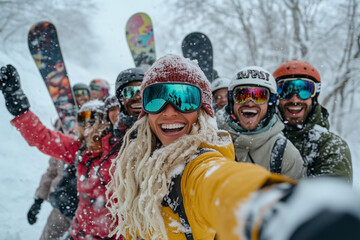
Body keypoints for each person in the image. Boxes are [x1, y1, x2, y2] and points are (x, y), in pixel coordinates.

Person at [106, 54, 360, 240]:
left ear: (203, 110)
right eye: (156, 99)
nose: (170, 111)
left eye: (185, 99)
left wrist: (288, 213)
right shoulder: (136, 164)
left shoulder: (199, 166)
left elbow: (223, 184)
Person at [0, 64, 123, 240]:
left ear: (105, 122)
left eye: (94, 118)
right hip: (80, 233)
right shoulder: (79, 149)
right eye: (83, 118)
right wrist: (20, 109)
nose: (88, 124)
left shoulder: (120, 149)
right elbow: (43, 138)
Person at [216, 66, 306, 179]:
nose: (250, 103)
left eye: (259, 96)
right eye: (242, 95)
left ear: (270, 103)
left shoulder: (286, 154)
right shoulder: (213, 142)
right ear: (232, 101)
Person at [273, 60, 353, 183]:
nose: (295, 99)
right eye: (285, 90)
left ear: (314, 97)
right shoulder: (261, 139)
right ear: (276, 97)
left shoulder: (331, 146)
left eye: (304, 90)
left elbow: (329, 198)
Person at [26, 119, 72, 240]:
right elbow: (50, 174)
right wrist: (38, 201)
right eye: (59, 129)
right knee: (48, 237)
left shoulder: (85, 147)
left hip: (83, 208)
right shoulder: (60, 150)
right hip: (61, 205)